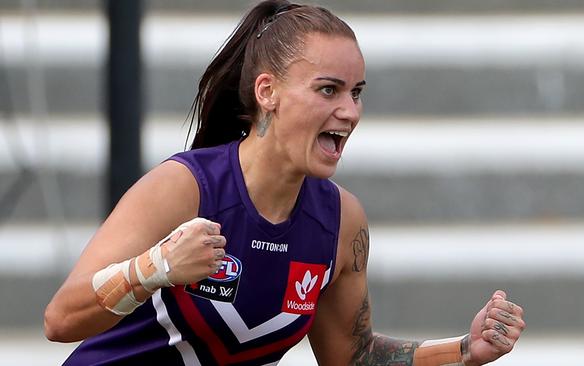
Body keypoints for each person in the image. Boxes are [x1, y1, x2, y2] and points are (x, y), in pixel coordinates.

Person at [44, 1, 526, 365]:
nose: (350, 112)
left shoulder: (340, 221)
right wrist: (157, 267)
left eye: (356, 93)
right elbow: (61, 319)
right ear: (267, 92)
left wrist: (464, 349)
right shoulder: (186, 187)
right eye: (328, 90)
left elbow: (350, 356)